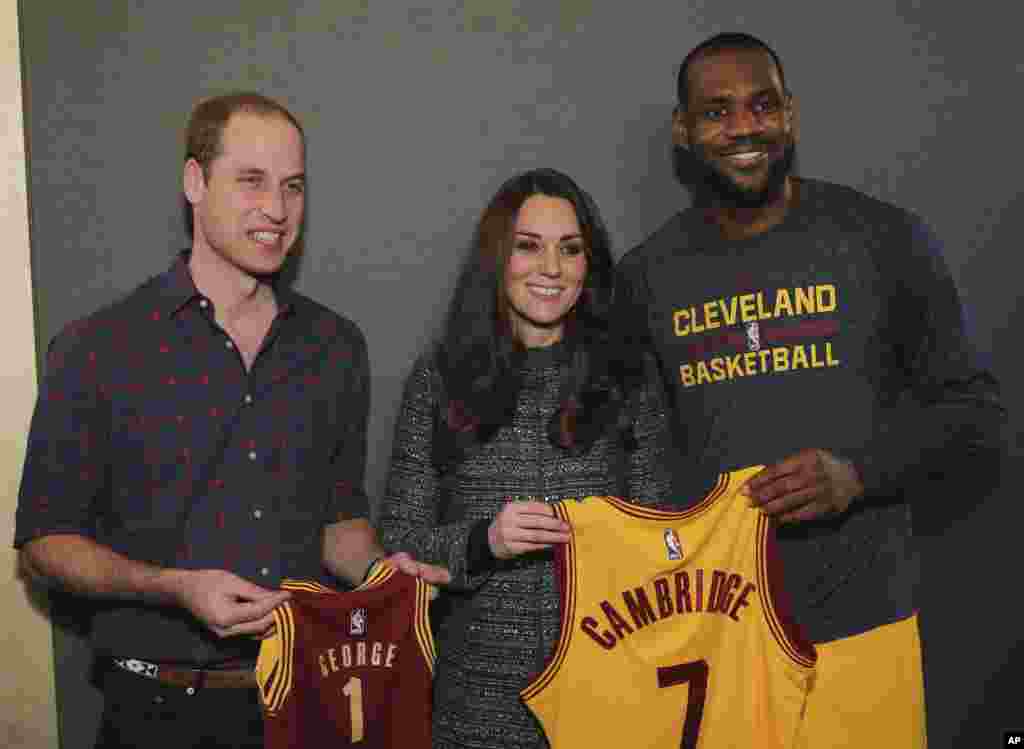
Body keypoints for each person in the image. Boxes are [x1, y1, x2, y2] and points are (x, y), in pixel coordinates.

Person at [14, 92, 448, 749]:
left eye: (293, 186)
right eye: (251, 181)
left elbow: (338, 522)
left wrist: (388, 579)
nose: (276, 209)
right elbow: (45, 543)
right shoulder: (98, 347)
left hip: (308, 701)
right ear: (195, 182)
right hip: (152, 712)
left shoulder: (334, 346)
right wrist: (171, 587)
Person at [615, 32, 1005, 747]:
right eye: (717, 111)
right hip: (716, 634)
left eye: (762, 105)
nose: (743, 128)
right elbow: (629, 454)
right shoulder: (644, 277)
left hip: (865, 629)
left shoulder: (883, 240)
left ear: (790, 115)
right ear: (683, 130)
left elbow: (977, 417)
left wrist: (858, 473)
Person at [377, 168, 671, 749]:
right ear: (497, 258)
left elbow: (666, 539)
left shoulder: (630, 378)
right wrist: (486, 541)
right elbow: (399, 544)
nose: (551, 269)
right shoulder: (440, 381)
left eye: (570, 249)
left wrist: (616, 540)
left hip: (610, 704)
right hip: (474, 712)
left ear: (589, 267)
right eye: (528, 246)